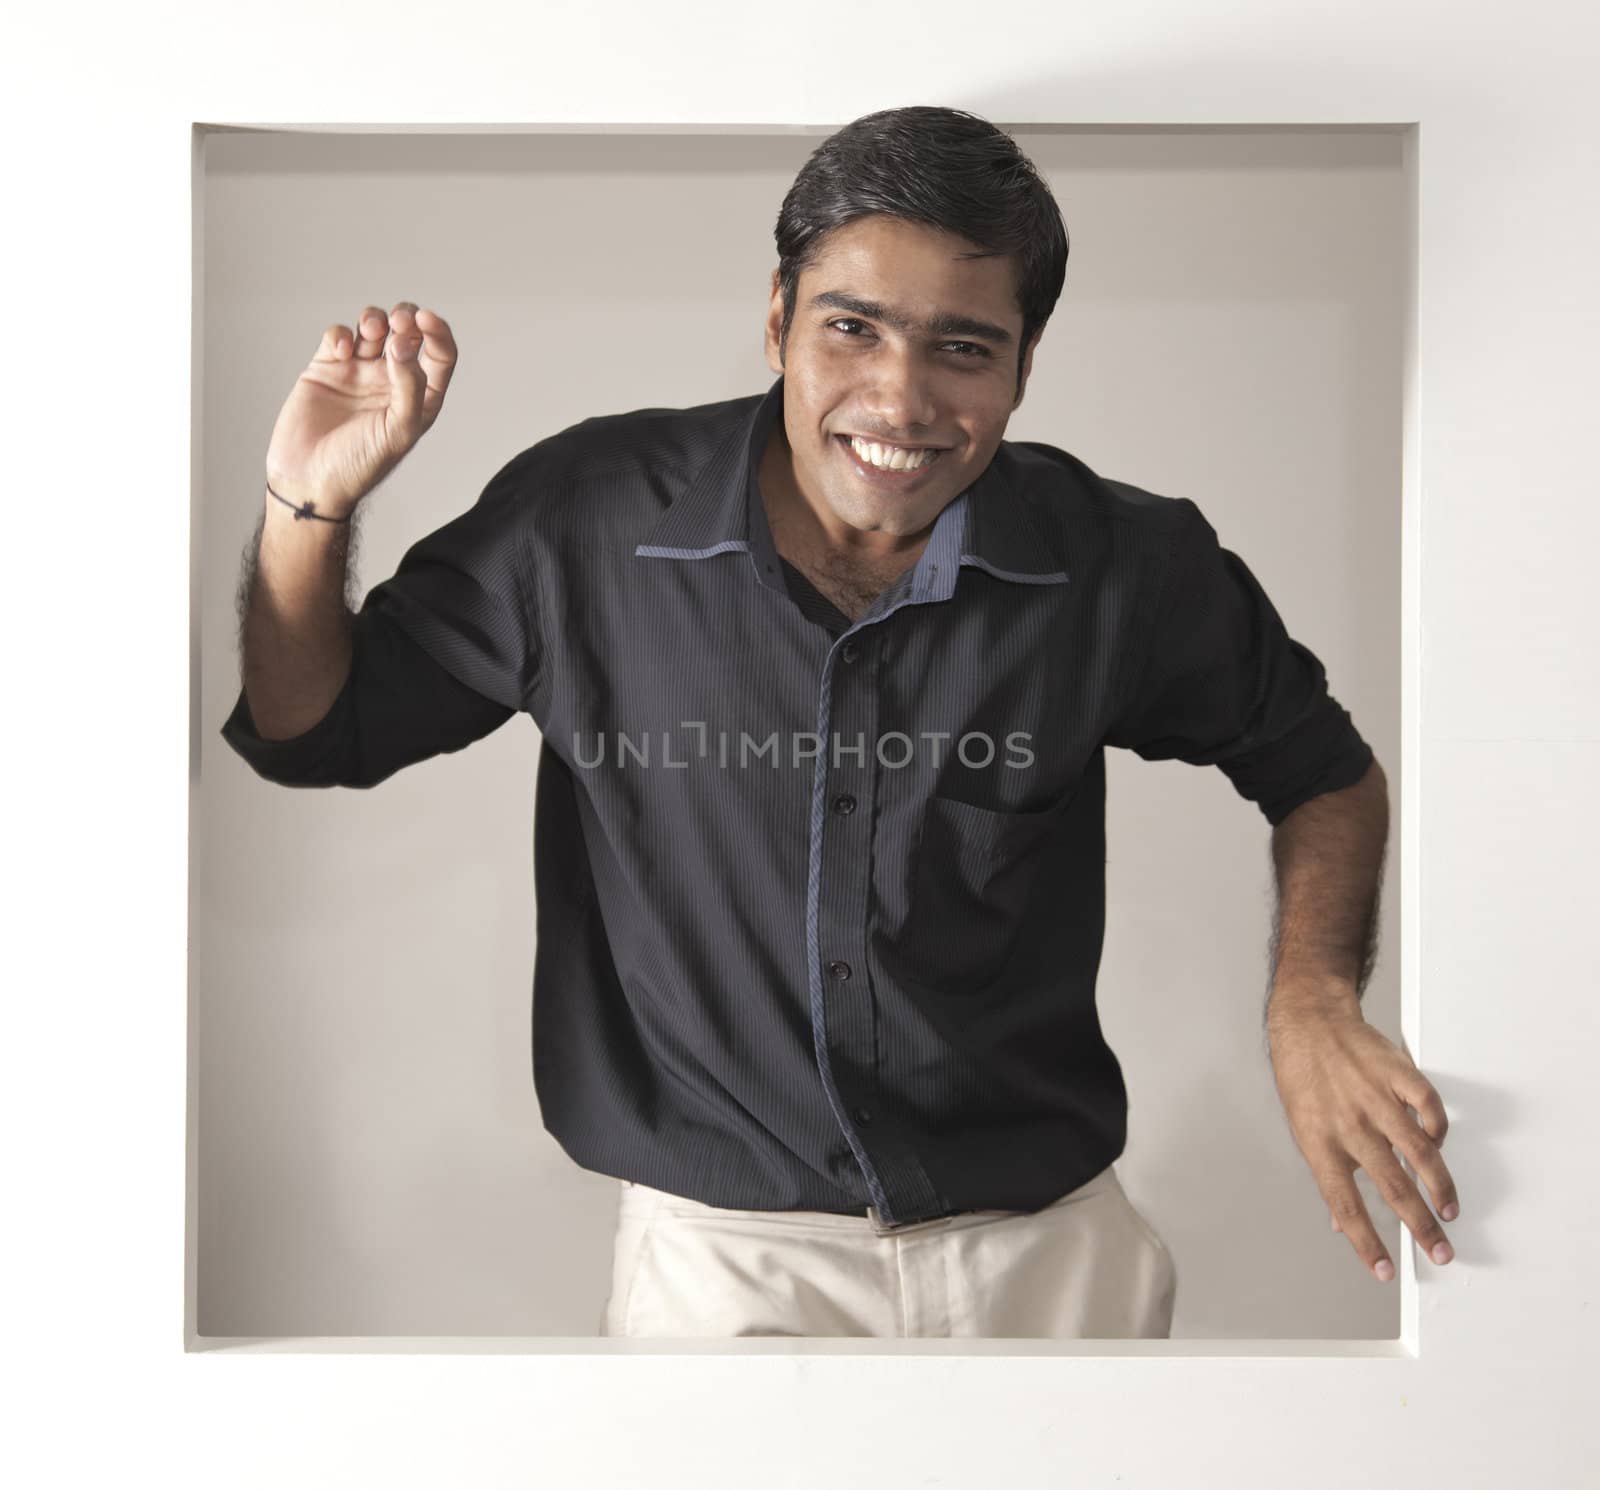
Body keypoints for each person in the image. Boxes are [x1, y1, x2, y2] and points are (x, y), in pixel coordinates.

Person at [220, 105, 1458, 1340]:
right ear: (775, 317)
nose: (899, 398)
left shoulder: (1121, 563)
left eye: (963, 349)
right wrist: (306, 506)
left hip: (1052, 1255)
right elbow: (314, 725)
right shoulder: (584, 518)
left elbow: (1323, 772)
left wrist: (1313, 1004)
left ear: (1025, 366)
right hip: (725, 1260)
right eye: (850, 328)